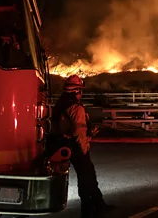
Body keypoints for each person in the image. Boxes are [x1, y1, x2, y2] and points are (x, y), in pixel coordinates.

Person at [50, 75, 115, 218]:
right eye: (81, 90)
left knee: (89, 175)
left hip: (63, 144)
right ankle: (88, 210)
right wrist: (85, 148)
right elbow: (78, 131)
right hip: (76, 146)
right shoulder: (75, 107)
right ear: (77, 91)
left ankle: (99, 204)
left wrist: (89, 131)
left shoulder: (61, 103)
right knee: (86, 177)